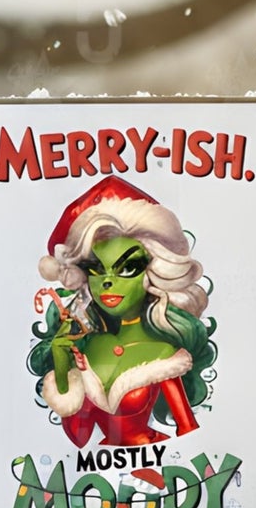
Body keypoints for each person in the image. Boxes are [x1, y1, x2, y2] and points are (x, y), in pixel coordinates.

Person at [24, 175, 218, 482]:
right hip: (95, 485)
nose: (108, 281)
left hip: (162, 478)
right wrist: (61, 367)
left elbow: (190, 438)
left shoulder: (164, 353)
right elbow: (79, 438)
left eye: (127, 267)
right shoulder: (87, 347)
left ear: (154, 272)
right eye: (97, 269)